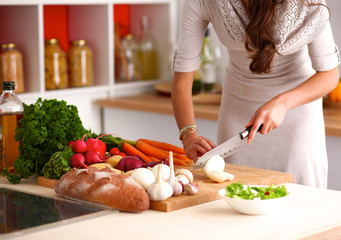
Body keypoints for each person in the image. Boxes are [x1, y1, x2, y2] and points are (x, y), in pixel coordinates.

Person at [171, 0, 340, 188]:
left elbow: (330, 75)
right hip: (237, 116)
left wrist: (282, 103)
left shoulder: (307, 2)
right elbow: (182, 82)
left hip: (296, 117)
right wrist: (188, 135)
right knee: (235, 199)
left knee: (301, 205)